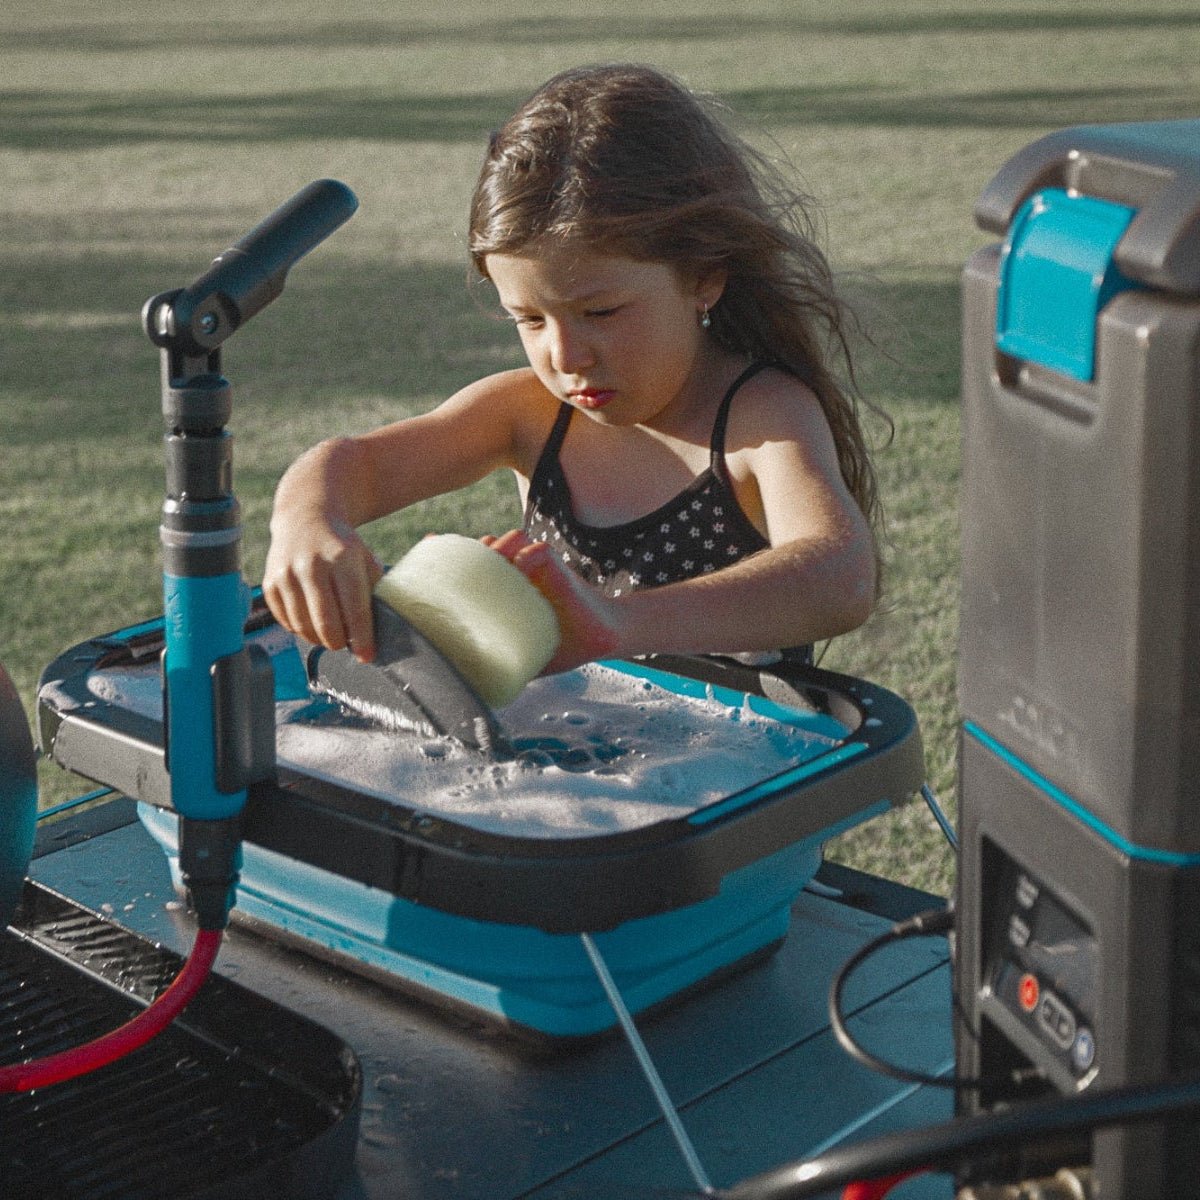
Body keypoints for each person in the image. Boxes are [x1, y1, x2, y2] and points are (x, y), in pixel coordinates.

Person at [263, 63, 885, 678]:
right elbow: (355, 465)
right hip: (582, 762)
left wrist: (616, 623)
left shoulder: (760, 417)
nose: (565, 357)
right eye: (528, 319)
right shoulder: (526, 414)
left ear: (704, 277)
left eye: (601, 311)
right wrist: (305, 521)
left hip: (746, 769)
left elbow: (840, 575)